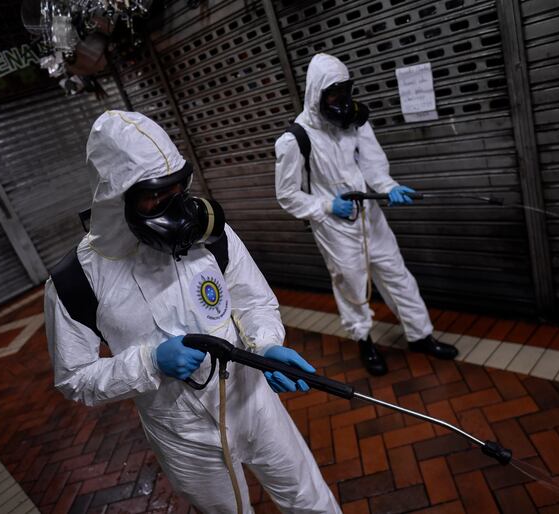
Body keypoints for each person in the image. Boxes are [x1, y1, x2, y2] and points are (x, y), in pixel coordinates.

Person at [45, 111, 341, 513]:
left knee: (308, 498)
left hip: (252, 399)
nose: (176, 208)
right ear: (117, 199)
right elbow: (74, 379)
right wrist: (149, 363)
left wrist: (267, 343)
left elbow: (253, 300)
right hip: (182, 433)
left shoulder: (208, 235)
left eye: (179, 188)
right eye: (156, 196)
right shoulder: (75, 282)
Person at [274, 53, 458, 377]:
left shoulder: (355, 122)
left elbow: (373, 164)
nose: (342, 103)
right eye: (333, 95)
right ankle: (364, 339)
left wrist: (390, 187)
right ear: (317, 94)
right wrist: (328, 206)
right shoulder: (295, 140)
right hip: (335, 227)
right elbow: (287, 195)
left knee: (397, 275)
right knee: (352, 287)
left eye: (344, 93)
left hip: (370, 216)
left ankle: (420, 334)